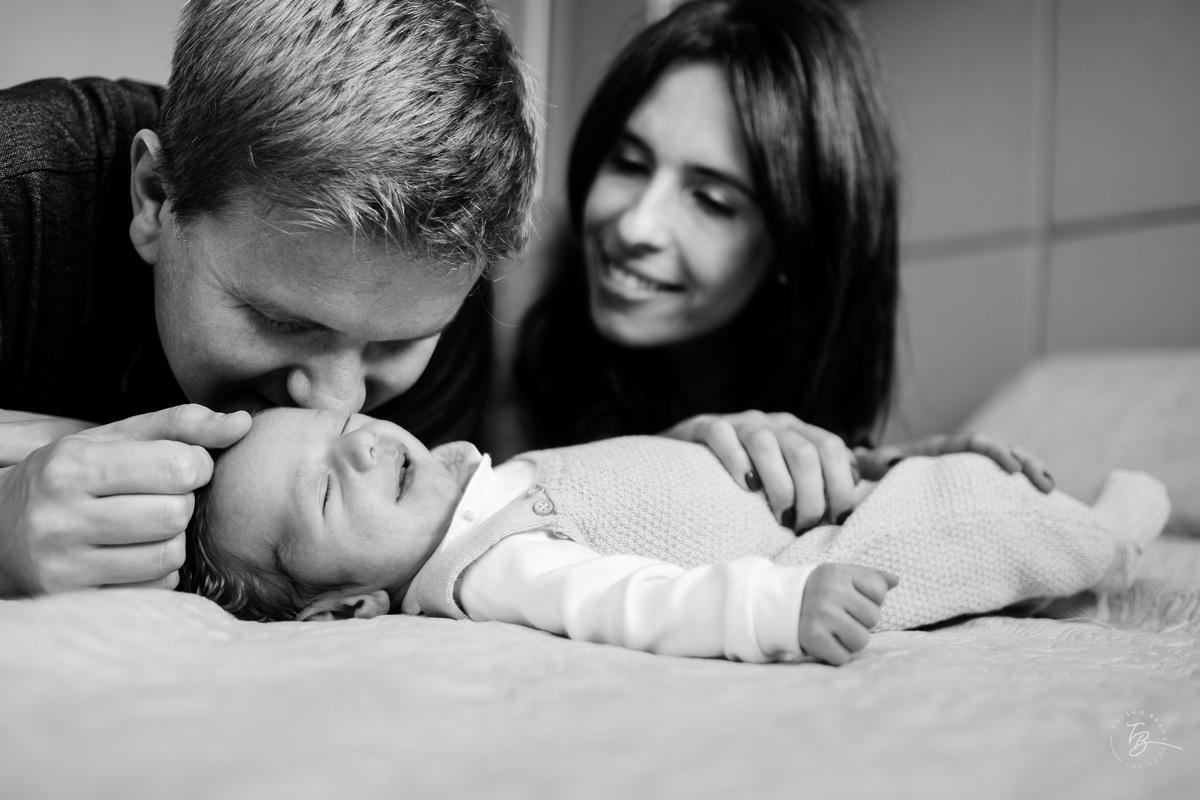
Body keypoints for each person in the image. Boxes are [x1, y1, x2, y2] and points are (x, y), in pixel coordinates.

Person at [0, 0, 539, 598]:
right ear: (154, 198)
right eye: (280, 321)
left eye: (397, 344)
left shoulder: (431, 284)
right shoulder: (15, 192)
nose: (339, 402)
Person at [512, 0, 1052, 535]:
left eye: (712, 201)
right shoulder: (509, 282)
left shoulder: (792, 390)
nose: (636, 226)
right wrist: (662, 462)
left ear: (795, 248)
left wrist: (872, 483)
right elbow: (480, 513)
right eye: (628, 163)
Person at [178, 407, 1158, 666]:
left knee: (939, 484)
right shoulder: (485, 566)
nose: (359, 449)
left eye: (343, 429)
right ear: (348, 607)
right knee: (966, 527)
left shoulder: (480, 492)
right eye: (324, 492)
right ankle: (1115, 531)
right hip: (793, 562)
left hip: (794, 502)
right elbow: (629, 601)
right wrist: (774, 607)